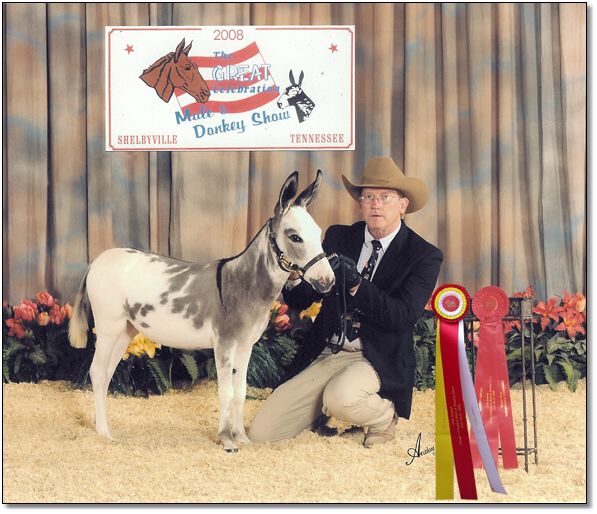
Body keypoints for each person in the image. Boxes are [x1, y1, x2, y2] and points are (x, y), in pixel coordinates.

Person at [249, 156, 443, 447]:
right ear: (360, 204)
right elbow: (303, 299)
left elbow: (401, 316)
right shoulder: (339, 236)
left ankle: (383, 417)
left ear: (403, 205)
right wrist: (293, 274)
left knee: (341, 398)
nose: (376, 205)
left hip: (373, 357)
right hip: (328, 350)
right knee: (262, 434)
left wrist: (356, 284)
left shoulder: (423, 255)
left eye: (386, 197)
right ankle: (320, 410)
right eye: (369, 197)